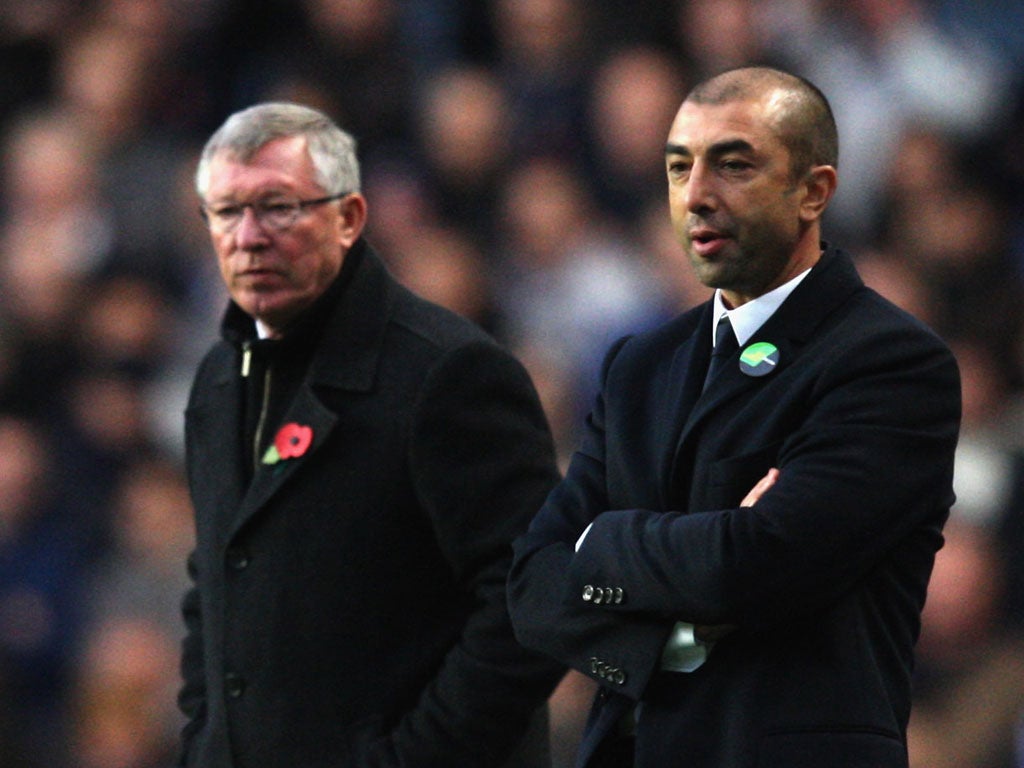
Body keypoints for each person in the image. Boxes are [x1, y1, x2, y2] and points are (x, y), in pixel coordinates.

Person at [506, 66, 962, 768]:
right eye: (678, 167)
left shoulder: (891, 362)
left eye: (733, 165)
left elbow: (760, 562)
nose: (696, 195)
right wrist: (687, 611)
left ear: (814, 191)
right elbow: (533, 584)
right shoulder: (640, 366)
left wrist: (599, 540)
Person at [177, 102, 564, 767]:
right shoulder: (217, 381)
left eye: (278, 208)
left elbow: (532, 598)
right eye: (226, 211)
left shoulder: (446, 373)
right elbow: (214, 585)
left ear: (349, 218)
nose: (249, 236)